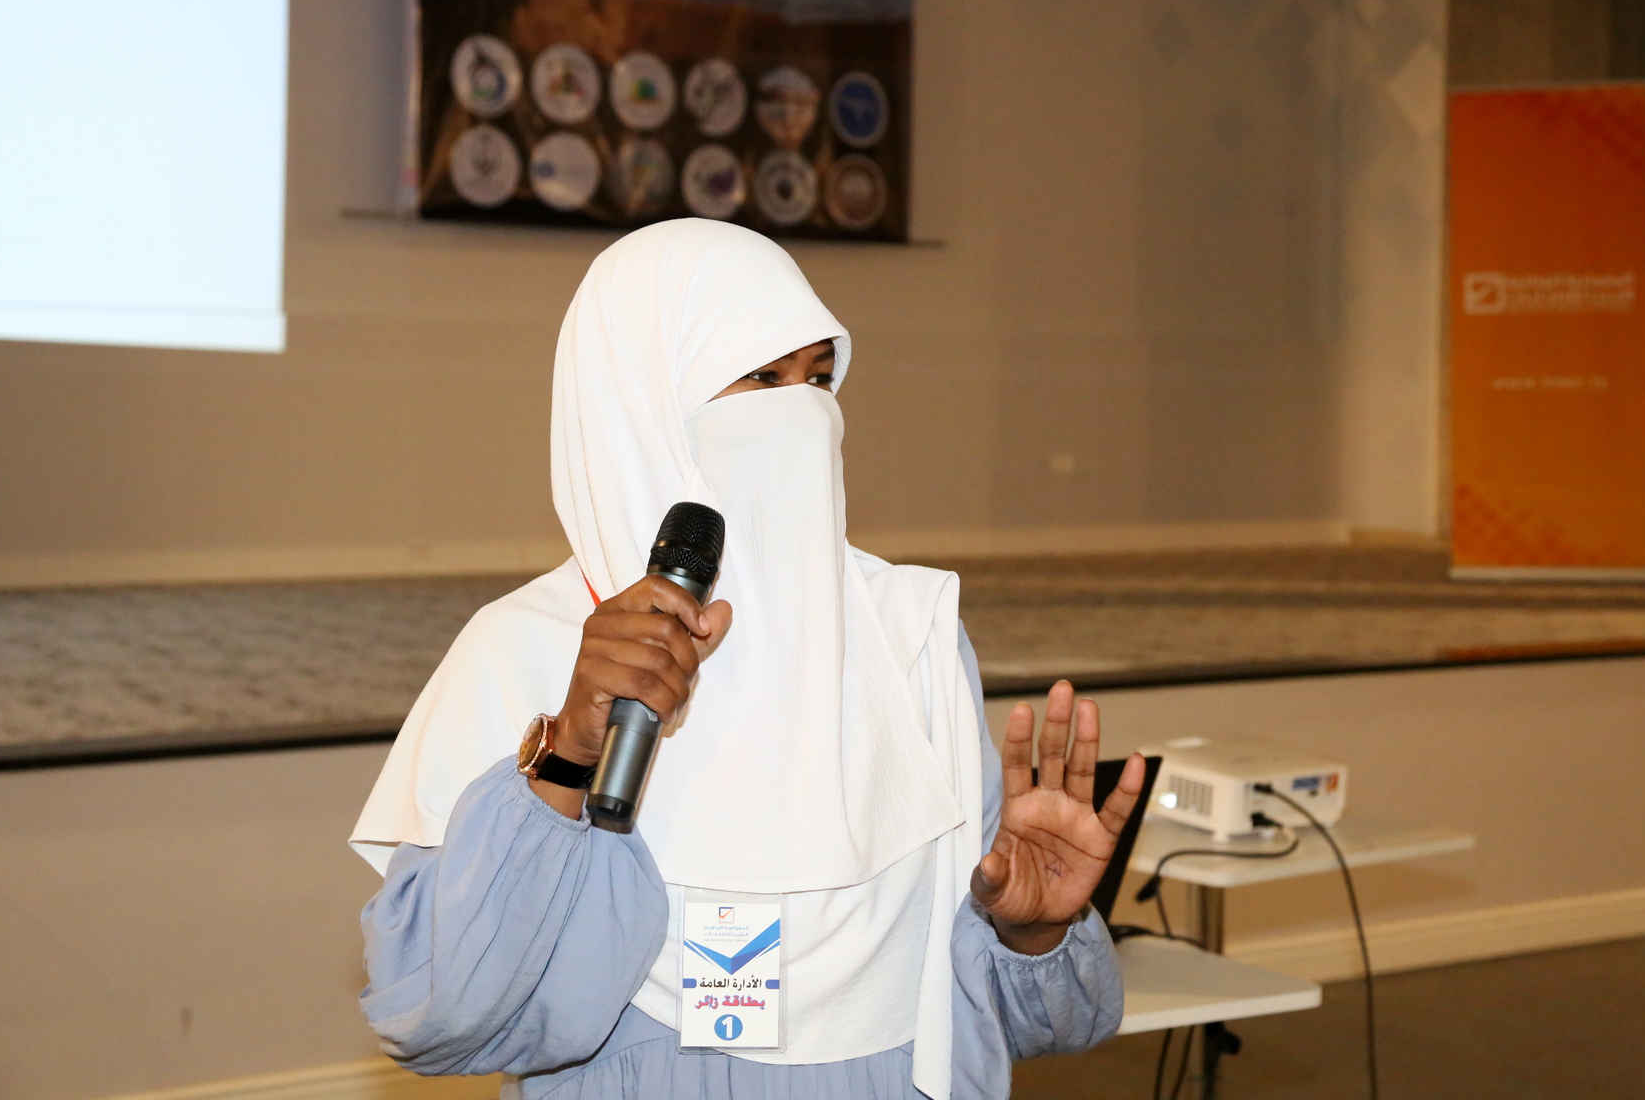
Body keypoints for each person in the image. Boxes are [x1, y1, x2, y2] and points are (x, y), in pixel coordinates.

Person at [351, 218, 1147, 1100]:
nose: (802, 412)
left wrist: (1034, 932)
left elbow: (986, 1013)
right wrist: (568, 755)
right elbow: (440, 1018)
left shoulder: (907, 631)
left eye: (819, 379)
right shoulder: (524, 648)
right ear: (641, 396)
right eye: (763, 378)